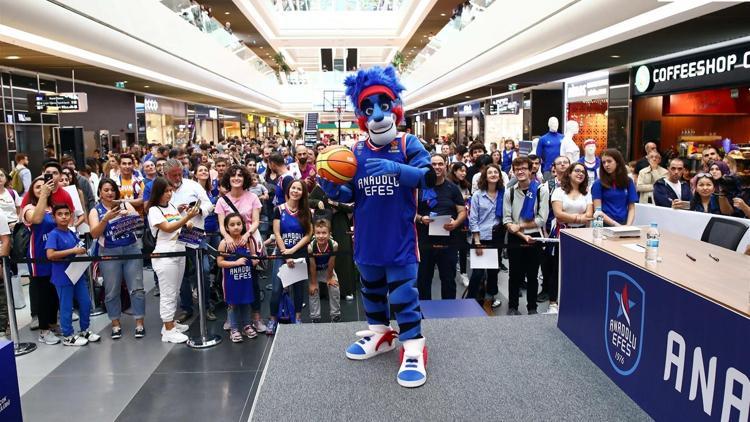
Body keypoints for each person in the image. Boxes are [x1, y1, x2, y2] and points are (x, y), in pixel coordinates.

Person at [89, 178, 145, 339]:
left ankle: (139, 323)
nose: (109, 193)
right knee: (111, 290)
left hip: (131, 249)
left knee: (137, 287)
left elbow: (139, 225)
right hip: (109, 252)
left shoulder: (125, 204)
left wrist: (130, 216)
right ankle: (115, 324)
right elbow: (94, 233)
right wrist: (105, 219)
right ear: (99, 192)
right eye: (105, 190)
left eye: (112, 189)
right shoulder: (95, 211)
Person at [147, 177, 200, 344]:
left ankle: (169, 324)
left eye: (171, 191)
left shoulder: (171, 206)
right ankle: (168, 329)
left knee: (175, 290)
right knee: (168, 292)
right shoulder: (153, 210)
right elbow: (168, 227)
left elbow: (179, 223)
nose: (169, 194)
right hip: (165, 254)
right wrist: (186, 218)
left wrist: (185, 218)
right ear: (158, 193)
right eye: (166, 191)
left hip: (179, 250)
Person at [214, 165, 266, 333]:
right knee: (231, 280)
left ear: (245, 178)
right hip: (230, 244)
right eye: (233, 175)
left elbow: (256, 221)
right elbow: (222, 225)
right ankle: (233, 319)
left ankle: (256, 317)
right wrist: (228, 238)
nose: (236, 178)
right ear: (228, 179)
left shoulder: (253, 197)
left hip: (249, 240)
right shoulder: (222, 200)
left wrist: (247, 233)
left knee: (253, 280)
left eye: (240, 175)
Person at [162, 159, 213, 323]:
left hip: (195, 234)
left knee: (204, 270)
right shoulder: (162, 189)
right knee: (181, 274)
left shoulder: (193, 185)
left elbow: (209, 205)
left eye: (180, 174)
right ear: (165, 175)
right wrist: (177, 211)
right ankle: (186, 307)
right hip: (174, 238)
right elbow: (157, 212)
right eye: (174, 175)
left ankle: (206, 306)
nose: (178, 178)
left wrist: (198, 210)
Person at [45, 204, 101, 346]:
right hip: (62, 276)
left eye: (66, 214)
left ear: (71, 216)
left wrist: (81, 250)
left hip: (77, 273)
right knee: (66, 306)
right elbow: (50, 254)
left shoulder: (70, 232)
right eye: (60, 214)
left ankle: (84, 329)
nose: (64, 216)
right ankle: (68, 335)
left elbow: (78, 247)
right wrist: (72, 251)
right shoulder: (54, 234)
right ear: (54, 217)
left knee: (85, 302)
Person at [415, 154, 466, 300]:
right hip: (425, 242)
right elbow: (410, 212)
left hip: (448, 242)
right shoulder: (419, 187)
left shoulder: (452, 188)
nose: (437, 167)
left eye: (440, 164)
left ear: (446, 166)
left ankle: (448, 316)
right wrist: (420, 218)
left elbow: (462, 211)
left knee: (449, 280)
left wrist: (456, 223)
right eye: (434, 164)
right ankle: (424, 313)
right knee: (424, 280)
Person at [503, 157, 549, 315]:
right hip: (515, 237)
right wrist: (515, 229)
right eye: (517, 169)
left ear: (531, 170)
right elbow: (506, 219)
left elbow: (541, 219)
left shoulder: (540, 190)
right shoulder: (509, 191)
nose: (520, 171)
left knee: (532, 274)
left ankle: (532, 308)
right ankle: (513, 306)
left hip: (534, 236)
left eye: (523, 168)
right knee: (514, 274)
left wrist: (520, 225)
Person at [268, 180, 312, 334]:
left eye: (299, 189)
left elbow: (308, 234)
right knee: (276, 289)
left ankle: (298, 318)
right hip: (282, 254)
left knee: (299, 289)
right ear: (288, 190)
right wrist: (285, 252)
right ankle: (272, 320)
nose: (295, 191)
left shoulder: (306, 211)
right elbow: (277, 233)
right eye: (293, 188)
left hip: (299, 254)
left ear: (303, 193)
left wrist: (293, 250)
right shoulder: (278, 210)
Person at [548, 163, 592, 314]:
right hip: (563, 233)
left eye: (583, 172)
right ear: (569, 173)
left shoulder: (586, 193)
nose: (580, 174)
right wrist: (579, 218)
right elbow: (558, 214)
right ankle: (553, 303)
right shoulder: (559, 191)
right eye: (577, 171)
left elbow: (589, 215)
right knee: (557, 268)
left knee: (577, 269)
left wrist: (575, 219)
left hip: (581, 235)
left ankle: (572, 301)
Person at [217, 213, 258, 343]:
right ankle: (234, 329)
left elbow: (253, 255)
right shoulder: (224, 243)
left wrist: (255, 260)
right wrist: (235, 263)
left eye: (239, 224)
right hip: (231, 282)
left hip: (246, 279)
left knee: (246, 303)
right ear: (227, 228)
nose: (236, 227)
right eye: (232, 225)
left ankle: (247, 325)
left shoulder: (247, 241)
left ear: (243, 225)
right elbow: (220, 262)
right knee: (233, 304)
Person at [467, 165, 504, 308]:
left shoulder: (503, 193)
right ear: (485, 176)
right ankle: (471, 301)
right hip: (481, 237)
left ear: (500, 176)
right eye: (490, 172)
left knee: (493, 271)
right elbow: (473, 218)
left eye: (496, 172)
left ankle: (489, 299)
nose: (493, 174)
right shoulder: (478, 195)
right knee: (478, 272)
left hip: (497, 236)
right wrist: (477, 241)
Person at [592, 149, 637, 226]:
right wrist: (616, 225)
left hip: (624, 223)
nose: (606, 165)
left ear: (618, 162)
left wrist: (628, 226)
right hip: (603, 225)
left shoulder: (628, 181)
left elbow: (631, 208)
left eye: (609, 161)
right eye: (603, 162)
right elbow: (597, 210)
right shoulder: (598, 183)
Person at [307, 219, 341, 323]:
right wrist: (313, 283)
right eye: (318, 233)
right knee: (313, 291)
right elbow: (312, 266)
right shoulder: (311, 247)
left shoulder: (334, 245)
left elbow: (331, 262)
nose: (321, 236)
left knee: (334, 287)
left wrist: (330, 278)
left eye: (324, 233)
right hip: (315, 271)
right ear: (314, 233)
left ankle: (335, 315)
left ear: (329, 234)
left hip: (327, 269)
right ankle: (315, 316)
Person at [448, 162, 471, 286]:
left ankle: (463, 273)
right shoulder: (448, 184)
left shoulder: (465, 185)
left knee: (463, 247)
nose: (463, 173)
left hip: (462, 221)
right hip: (450, 220)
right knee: (450, 250)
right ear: (454, 171)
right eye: (461, 170)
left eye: (465, 171)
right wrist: (463, 198)